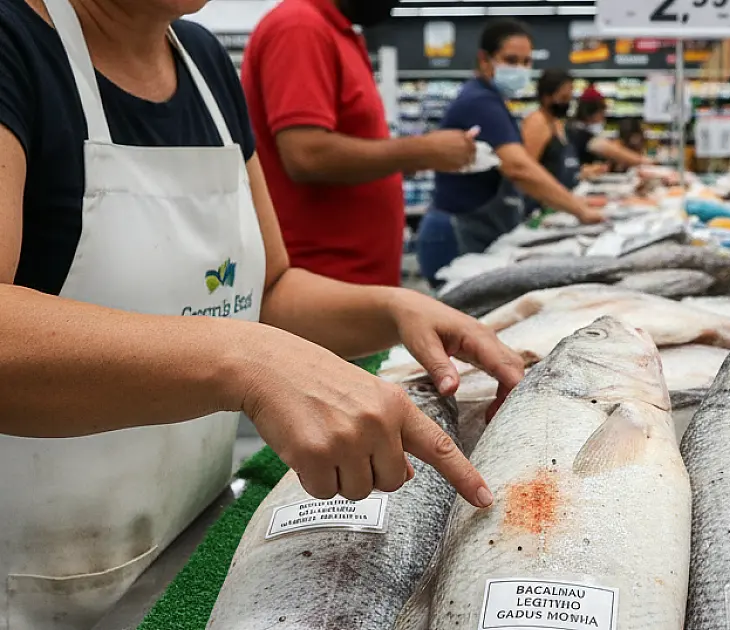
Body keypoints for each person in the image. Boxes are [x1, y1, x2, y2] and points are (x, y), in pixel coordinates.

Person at [0, 0, 524, 625]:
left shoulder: (204, 63)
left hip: (187, 533)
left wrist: (395, 307)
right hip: (31, 576)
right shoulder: (14, 44)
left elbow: (268, 292)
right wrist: (245, 360)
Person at [240, 0, 476, 292]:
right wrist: (421, 150)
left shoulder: (338, 32)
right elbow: (306, 155)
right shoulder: (300, 26)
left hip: (349, 281)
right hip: (320, 282)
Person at [416, 20, 604, 285]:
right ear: (485, 59)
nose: (520, 69)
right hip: (456, 232)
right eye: (511, 60)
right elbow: (518, 167)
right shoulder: (480, 102)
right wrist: (580, 210)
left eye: (527, 62)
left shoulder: (490, 100)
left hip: (470, 226)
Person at [521, 69, 605, 213]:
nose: (568, 103)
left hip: (558, 204)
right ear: (547, 97)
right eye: (564, 97)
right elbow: (527, 171)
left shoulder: (557, 123)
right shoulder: (537, 123)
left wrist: (579, 172)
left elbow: (554, 165)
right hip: (539, 208)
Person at [568, 87, 653, 171]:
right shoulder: (580, 133)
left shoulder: (574, 128)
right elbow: (610, 150)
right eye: (602, 113)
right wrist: (643, 161)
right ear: (592, 113)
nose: (603, 118)